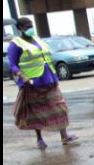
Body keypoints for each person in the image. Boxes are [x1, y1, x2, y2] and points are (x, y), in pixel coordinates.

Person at [8, 17, 78, 149]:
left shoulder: (37, 39)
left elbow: (46, 56)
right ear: (20, 29)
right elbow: (13, 65)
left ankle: (64, 135)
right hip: (32, 82)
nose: (30, 29)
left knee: (59, 106)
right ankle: (39, 138)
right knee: (36, 111)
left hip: (49, 79)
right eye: (27, 27)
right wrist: (22, 76)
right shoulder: (15, 44)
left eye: (31, 26)